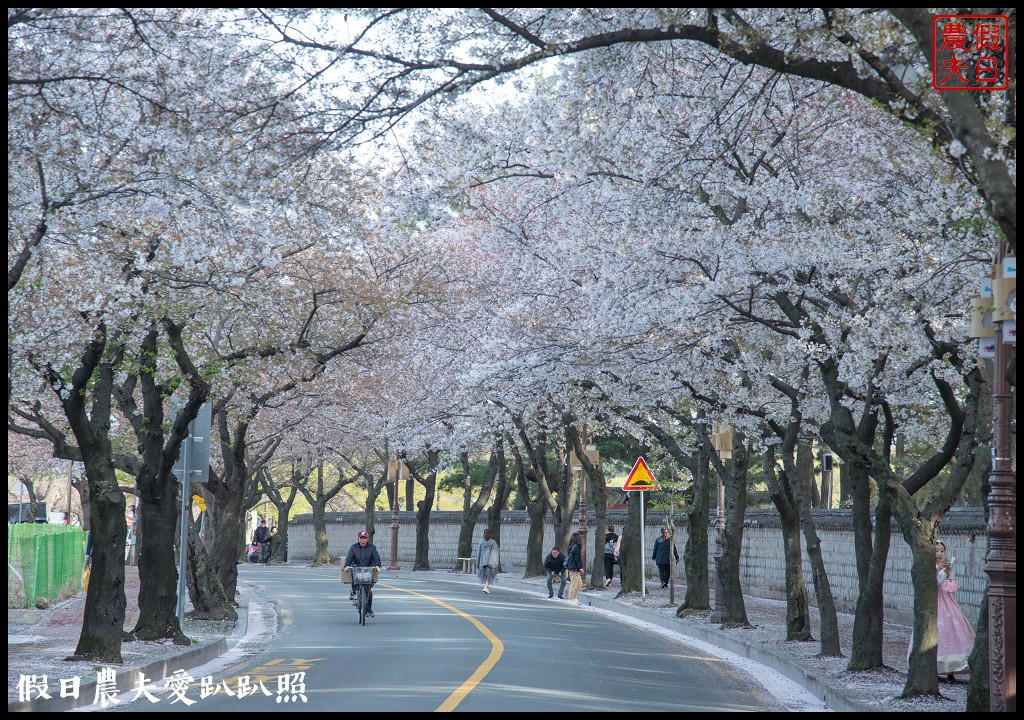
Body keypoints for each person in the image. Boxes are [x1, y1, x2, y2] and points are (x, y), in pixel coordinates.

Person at [911, 541, 976, 681]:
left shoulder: (947, 568)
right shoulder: (928, 567)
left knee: (952, 632)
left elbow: (952, 588)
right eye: (937, 551)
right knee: (936, 634)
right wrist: (937, 570)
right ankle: (933, 668)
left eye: (942, 551)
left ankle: (951, 671)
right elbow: (931, 584)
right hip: (932, 603)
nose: (940, 554)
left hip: (948, 604)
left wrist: (949, 573)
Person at [344, 530, 382, 617]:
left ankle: (368, 610)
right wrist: (346, 565)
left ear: (367, 539)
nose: (363, 540)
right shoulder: (354, 547)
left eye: (364, 538)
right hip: (356, 568)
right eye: (361, 538)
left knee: (369, 591)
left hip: (368, 570)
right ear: (358, 539)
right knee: (354, 574)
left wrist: (377, 565)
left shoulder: (372, 548)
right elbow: (349, 557)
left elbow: (376, 557)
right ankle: (354, 592)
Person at [477, 528, 500, 593]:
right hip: (491, 562)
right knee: (489, 576)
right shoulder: (493, 542)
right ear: (490, 534)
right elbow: (497, 551)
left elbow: (479, 553)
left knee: (484, 575)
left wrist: (478, 563)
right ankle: (486, 587)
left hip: (483, 562)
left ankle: (485, 586)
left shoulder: (481, 543)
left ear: (484, 534)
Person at [566, 532, 584, 603]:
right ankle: (572, 599)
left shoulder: (570, 546)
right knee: (574, 584)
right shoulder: (576, 547)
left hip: (572, 567)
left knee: (579, 584)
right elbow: (577, 559)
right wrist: (580, 568)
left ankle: (574, 597)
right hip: (574, 568)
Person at [603, 523, 619, 588]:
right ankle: (610, 580)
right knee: (611, 567)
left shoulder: (605, 536)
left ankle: (608, 579)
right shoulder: (616, 537)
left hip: (606, 553)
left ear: (607, 529)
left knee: (607, 567)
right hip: (613, 554)